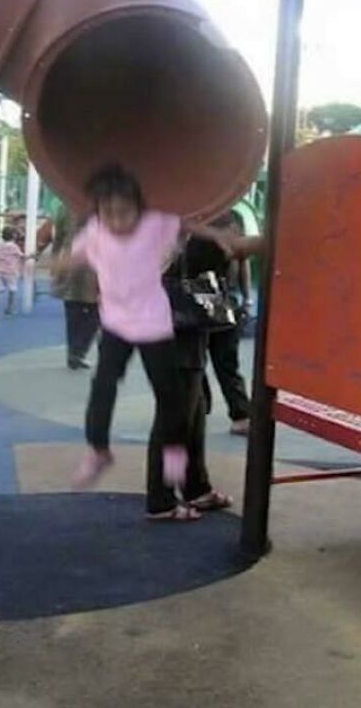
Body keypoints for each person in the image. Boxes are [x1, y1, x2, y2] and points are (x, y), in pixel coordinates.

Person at [53, 162, 230, 521]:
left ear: (139, 209)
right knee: (103, 387)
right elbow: (70, 259)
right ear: (99, 213)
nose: (117, 221)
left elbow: (185, 224)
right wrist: (58, 264)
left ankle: (175, 467)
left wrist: (221, 237)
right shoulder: (95, 233)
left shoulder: (153, 225)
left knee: (173, 401)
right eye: (109, 214)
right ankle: (98, 451)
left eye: (125, 213)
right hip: (116, 325)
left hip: (153, 326)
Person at [146, 235, 234, 517]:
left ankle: (195, 486)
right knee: (175, 423)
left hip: (178, 335)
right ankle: (163, 497)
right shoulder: (184, 231)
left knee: (192, 418)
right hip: (174, 336)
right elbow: (215, 255)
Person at [206, 210, 253, 435]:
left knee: (225, 360)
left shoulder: (230, 216)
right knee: (203, 360)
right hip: (206, 296)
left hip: (224, 298)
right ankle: (238, 413)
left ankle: (240, 413)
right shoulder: (197, 221)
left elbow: (242, 261)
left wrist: (247, 297)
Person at [50, 203, 100, 370]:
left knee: (73, 314)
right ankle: (77, 351)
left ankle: (74, 353)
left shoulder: (64, 207)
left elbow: (57, 239)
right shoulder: (99, 205)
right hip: (92, 266)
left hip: (70, 264)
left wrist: (55, 262)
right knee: (96, 312)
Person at [0, 225, 30, 319]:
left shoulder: (0, 246)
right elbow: (22, 257)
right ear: (14, 236)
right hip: (11, 272)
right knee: (12, 290)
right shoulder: (14, 247)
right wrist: (31, 256)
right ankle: (9, 309)